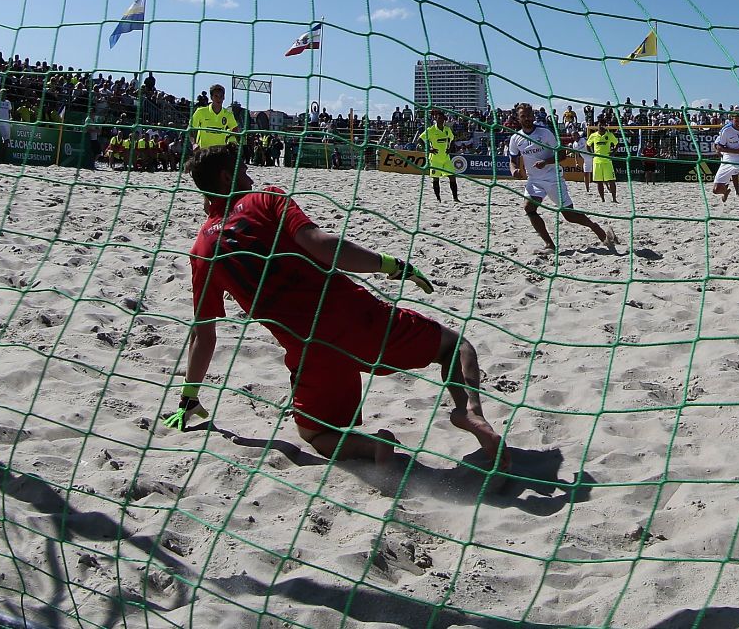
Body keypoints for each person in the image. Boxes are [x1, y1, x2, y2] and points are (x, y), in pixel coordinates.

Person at [162, 144, 507, 470]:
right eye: (243, 171)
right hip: (359, 317)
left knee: (315, 434)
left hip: (312, 350)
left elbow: (203, 335)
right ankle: (469, 411)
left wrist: (189, 396)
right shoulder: (265, 198)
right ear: (227, 177)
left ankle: (374, 448)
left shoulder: (202, 250)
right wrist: (391, 264)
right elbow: (324, 245)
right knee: (455, 347)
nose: (250, 177)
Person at [508, 102, 617, 252]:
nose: (527, 118)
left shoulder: (545, 133)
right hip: (534, 180)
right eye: (523, 116)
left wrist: (545, 162)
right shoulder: (515, 138)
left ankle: (594, 227)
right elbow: (512, 160)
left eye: (529, 115)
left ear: (533, 116)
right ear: (518, 118)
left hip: (553, 178)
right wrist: (514, 170)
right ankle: (549, 244)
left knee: (569, 215)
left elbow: (562, 155)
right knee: (529, 208)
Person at [421, 107, 460, 204]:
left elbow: (452, 139)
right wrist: (428, 149)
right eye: (439, 118)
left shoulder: (447, 129)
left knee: (452, 177)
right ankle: (438, 199)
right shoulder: (431, 130)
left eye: (442, 119)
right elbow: (420, 140)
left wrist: (450, 148)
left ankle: (455, 198)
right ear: (436, 119)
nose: (441, 120)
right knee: (436, 179)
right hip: (435, 159)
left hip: (446, 158)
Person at [191, 85, 240, 149]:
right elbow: (191, 129)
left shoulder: (228, 114)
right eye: (216, 96)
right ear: (211, 97)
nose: (219, 99)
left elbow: (235, 129)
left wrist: (232, 141)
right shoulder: (200, 112)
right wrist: (194, 144)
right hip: (203, 151)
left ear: (224, 97)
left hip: (220, 152)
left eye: (221, 96)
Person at [585, 121, 620, 202]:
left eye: (603, 125)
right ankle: (603, 199)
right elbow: (587, 145)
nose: (601, 127)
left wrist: (613, 153)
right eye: (600, 125)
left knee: (611, 181)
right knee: (599, 181)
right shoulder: (593, 135)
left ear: (605, 126)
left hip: (607, 161)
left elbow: (617, 144)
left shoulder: (609, 135)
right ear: (597, 126)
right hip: (597, 161)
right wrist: (592, 154)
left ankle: (614, 199)